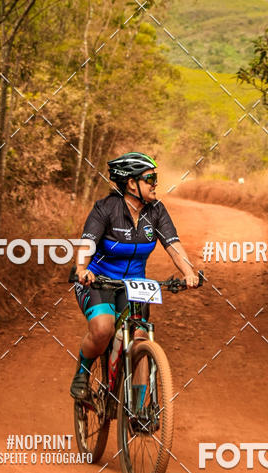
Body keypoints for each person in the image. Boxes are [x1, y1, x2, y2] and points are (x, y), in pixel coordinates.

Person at [70, 151, 198, 400]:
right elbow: (88, 243)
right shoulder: (106, 208)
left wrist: (189, 272)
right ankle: (83, 372)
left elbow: (173, 245)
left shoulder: (157, 210)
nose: (155, 184)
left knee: (139, 338)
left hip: (134, 285)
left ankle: (139, 408)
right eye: (151, 178)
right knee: (103, 328)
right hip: (99, 280)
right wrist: (82, 269)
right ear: (131, 183)